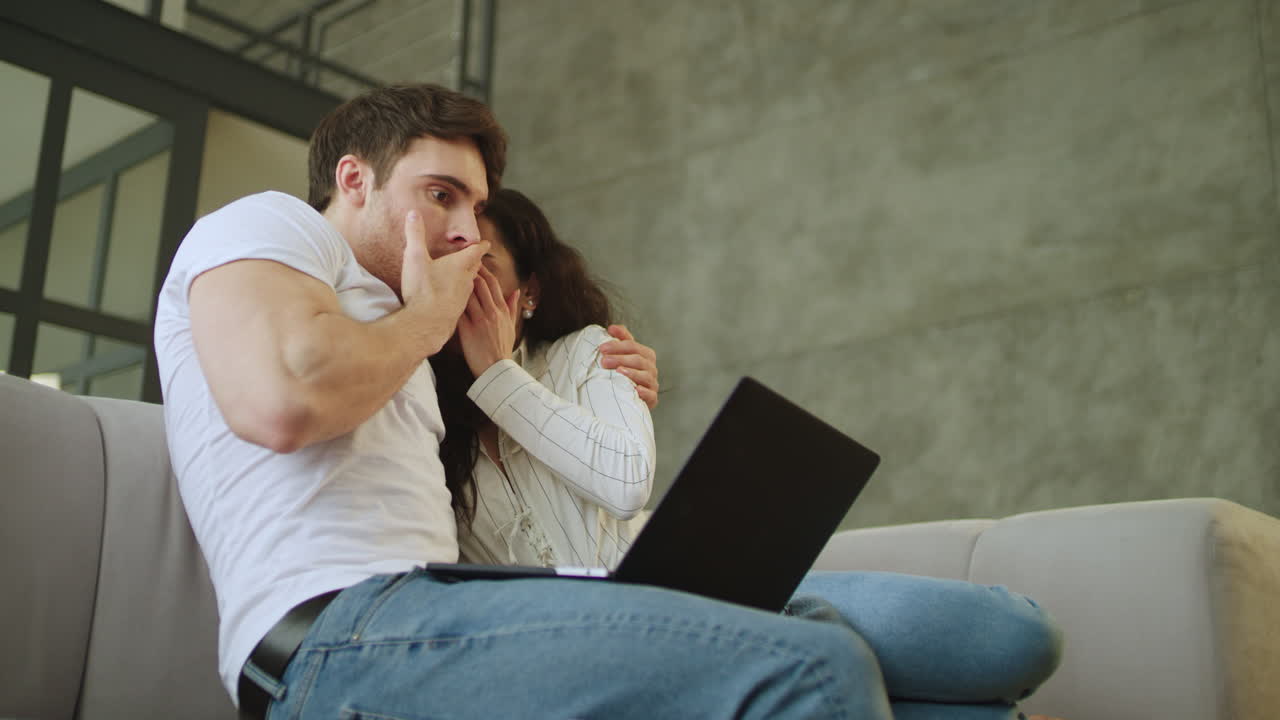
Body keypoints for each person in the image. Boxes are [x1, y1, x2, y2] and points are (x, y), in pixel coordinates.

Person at [155, 82, 901, 720]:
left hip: (443, 610)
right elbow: (284, 402)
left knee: (915, 685)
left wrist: (598, 382)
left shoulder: (398, 340)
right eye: (439, 196)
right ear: (354, 181)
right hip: (332, 637)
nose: (461, 233)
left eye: (474, 206)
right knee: (818, 667)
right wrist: (429, 318)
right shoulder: (271, 227)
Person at [429, 187, 1066, 720]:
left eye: (477, 262)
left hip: (718, 596)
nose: (458, 281)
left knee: (1019, 634)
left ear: (529, 289)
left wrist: (499, 376)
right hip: (621, 656)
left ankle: (797, 646)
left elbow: (625, 481)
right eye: (441, 262)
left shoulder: (585, 353)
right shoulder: (422, 420)